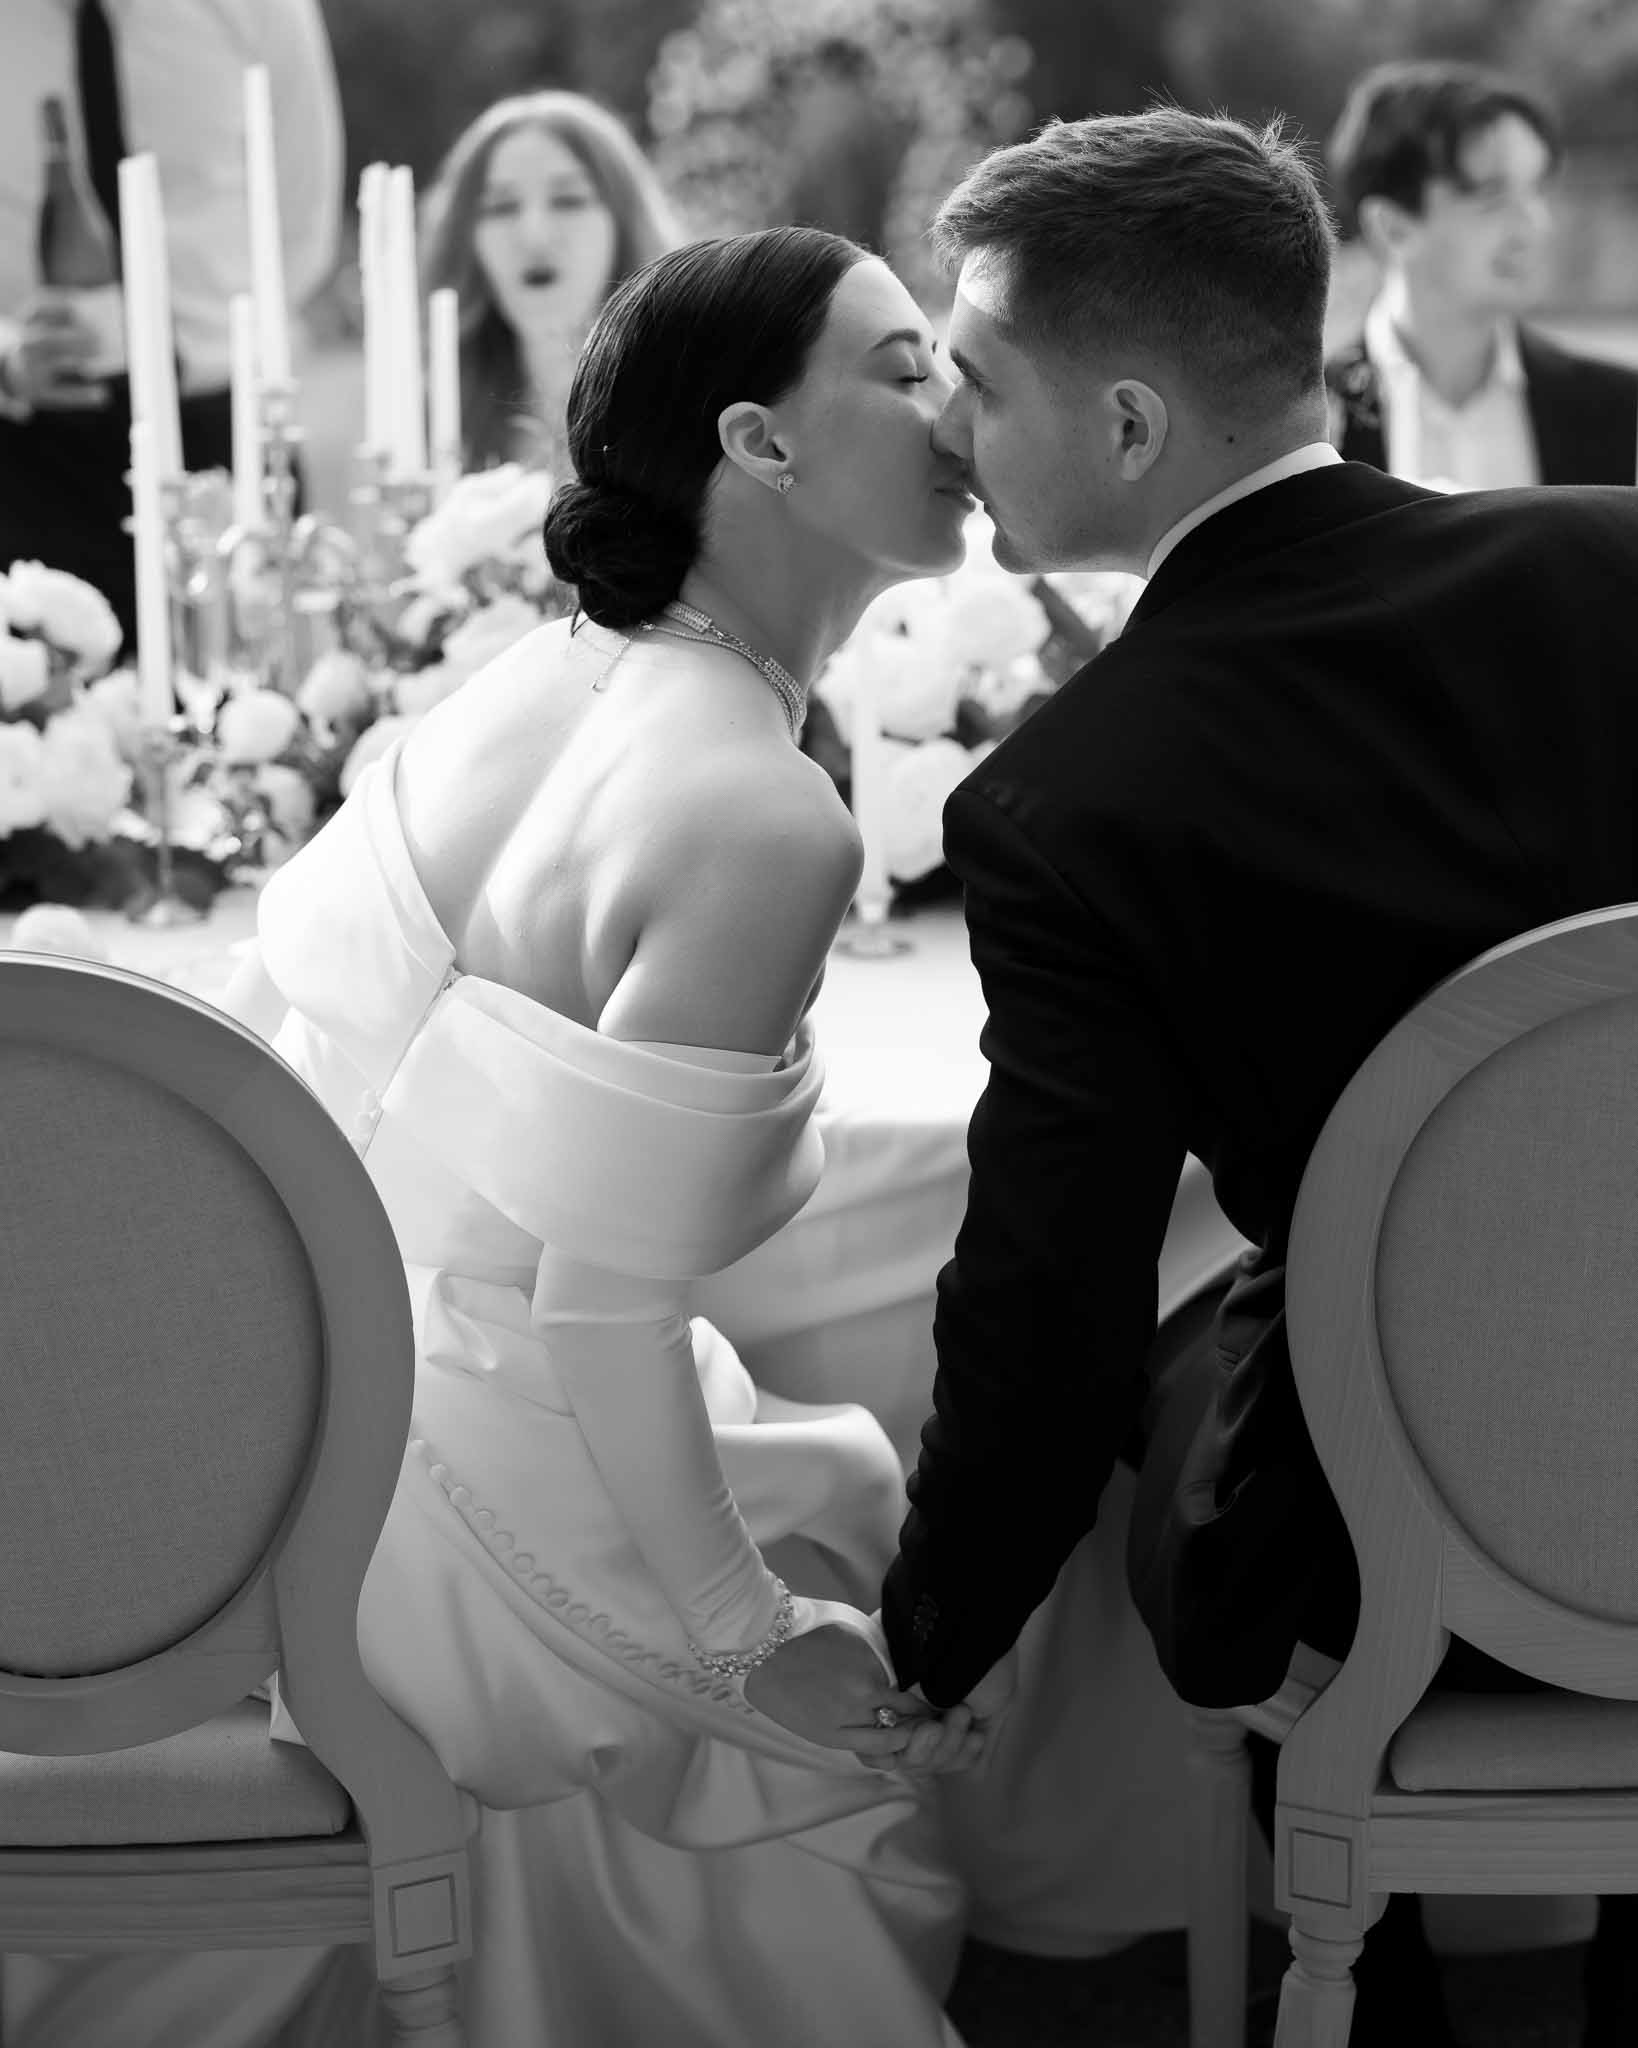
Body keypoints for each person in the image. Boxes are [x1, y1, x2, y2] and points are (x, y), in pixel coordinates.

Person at [875, 107, 1638, 2043]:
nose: (943, 427)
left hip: (1417, 1557)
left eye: (971, 375)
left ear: (1128, 428)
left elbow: (1046, 1295)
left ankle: (1389, 1961)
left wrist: (936, 1634)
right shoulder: (1622, 558)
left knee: (1201, 1345)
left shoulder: (1073, 800)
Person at [176, 224, 983, 2048]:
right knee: (831, 1503)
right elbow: (596, 1319)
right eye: (902, 361)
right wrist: (734, 1634)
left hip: (274, 1388)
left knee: (795, 1447)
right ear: (756, 444)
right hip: (435, 1485)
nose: (953, 407)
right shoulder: (761, 817)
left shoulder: (539, 674)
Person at [0, 0, 343, 649]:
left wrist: (213, 337)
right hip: (27, 448)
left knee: (257, 723)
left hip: (225, 439)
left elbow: (301, 219)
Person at [1324, 60, 1638, 487]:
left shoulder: (1618, 408)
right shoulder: (1307, 424)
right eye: (1492, 197)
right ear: (1393, 227)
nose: (1536, 225)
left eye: (1537, 190)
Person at [419, 90, 683, 475]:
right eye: (501, 207)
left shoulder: (693, 404)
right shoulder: (429, 420)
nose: (534, 235)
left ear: (624, 224)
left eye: (568, 200)